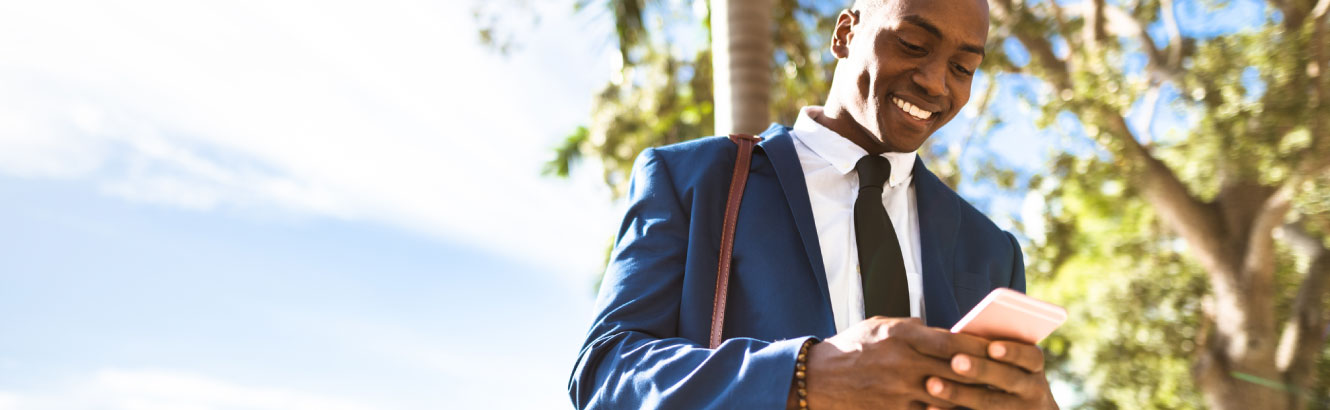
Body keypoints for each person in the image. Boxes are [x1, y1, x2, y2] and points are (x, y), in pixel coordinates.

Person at [568, 0, 1059, 408]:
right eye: (913, 45)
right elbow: (606, 373)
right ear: (845, 33)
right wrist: (805, 375)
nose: (936, 82)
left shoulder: (993, 250)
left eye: (962, 67)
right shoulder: (692, 180)